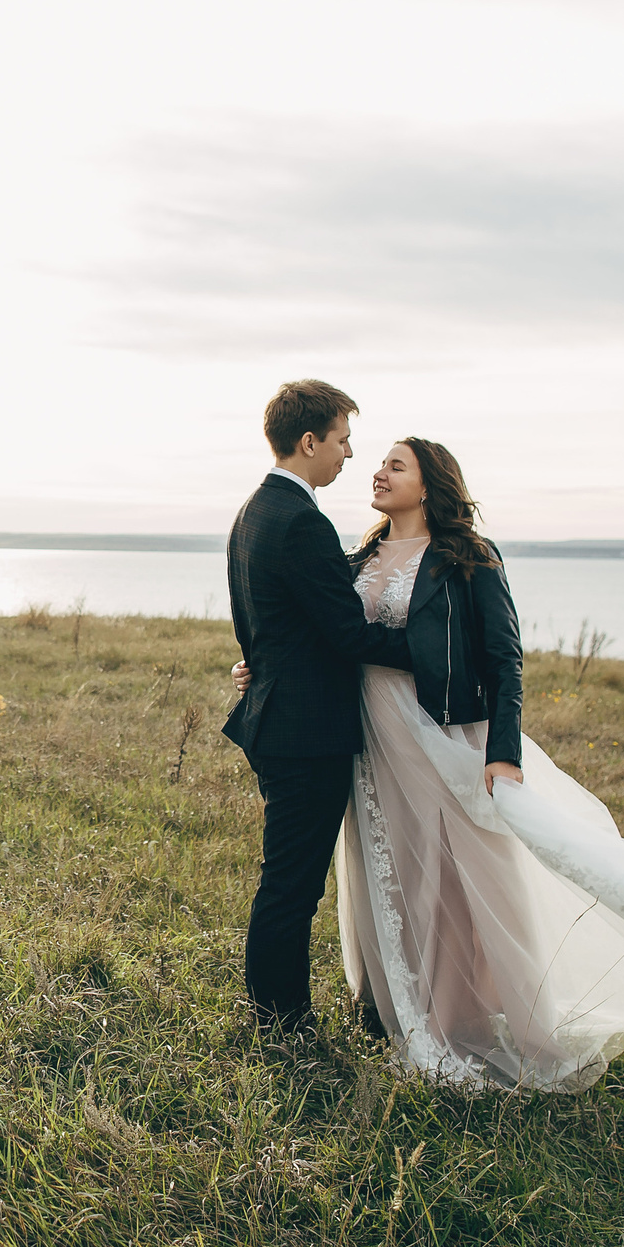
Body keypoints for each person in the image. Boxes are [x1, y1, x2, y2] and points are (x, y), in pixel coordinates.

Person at [234, 433, 624, 1089]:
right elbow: (322, 627)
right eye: (379, 462)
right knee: (395, 875)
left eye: (396, 464)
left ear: (431, 482)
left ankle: (472, 1015)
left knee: (462, 874)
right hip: (372, 747)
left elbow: (505, 657)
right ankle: (400, 1007)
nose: (378, 471)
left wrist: (503, 753)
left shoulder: (467, 556)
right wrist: (263, 664)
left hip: (442, 737)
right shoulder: (358, 553)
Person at [222, 380, 430, 1033]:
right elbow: (348, 632)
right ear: (309, 441)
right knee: (292, 885)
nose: (347, 454)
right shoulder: (301, 520)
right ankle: (281, 1023)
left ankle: (277, 1015)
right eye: (342, 439)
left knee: (288, 879)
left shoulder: (253, 511)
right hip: (303, 732)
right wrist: (438, 654)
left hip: (276, 717)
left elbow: (275, 620)